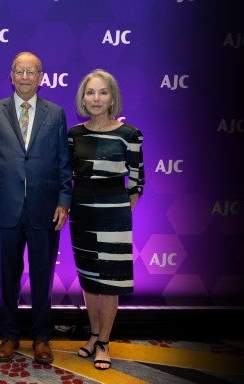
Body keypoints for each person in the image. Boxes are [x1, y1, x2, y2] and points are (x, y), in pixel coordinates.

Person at [0, 51, 72, 366]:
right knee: (7, 276)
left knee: (43, 276)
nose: (25, 77)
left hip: (45, 208)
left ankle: (42, 337)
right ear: (11, 75)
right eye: (19, 71)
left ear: (41, 77)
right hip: (6, 207)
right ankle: (9, 335)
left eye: (31, 72)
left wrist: (64, 201)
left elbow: (63, 163)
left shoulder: (55, 114)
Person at [68, 69, 144, 370]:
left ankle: (103, 343)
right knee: (89, 279)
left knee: (111, 281)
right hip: (82, 212)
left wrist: (121, 212)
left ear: (113, 97)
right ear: (83, 99)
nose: (96, 98)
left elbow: (137, 181)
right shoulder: (74, 134)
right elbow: (67, 175)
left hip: (114, 214)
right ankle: (93, 335)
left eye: (102, 92)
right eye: (90, 92)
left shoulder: (129, 134)